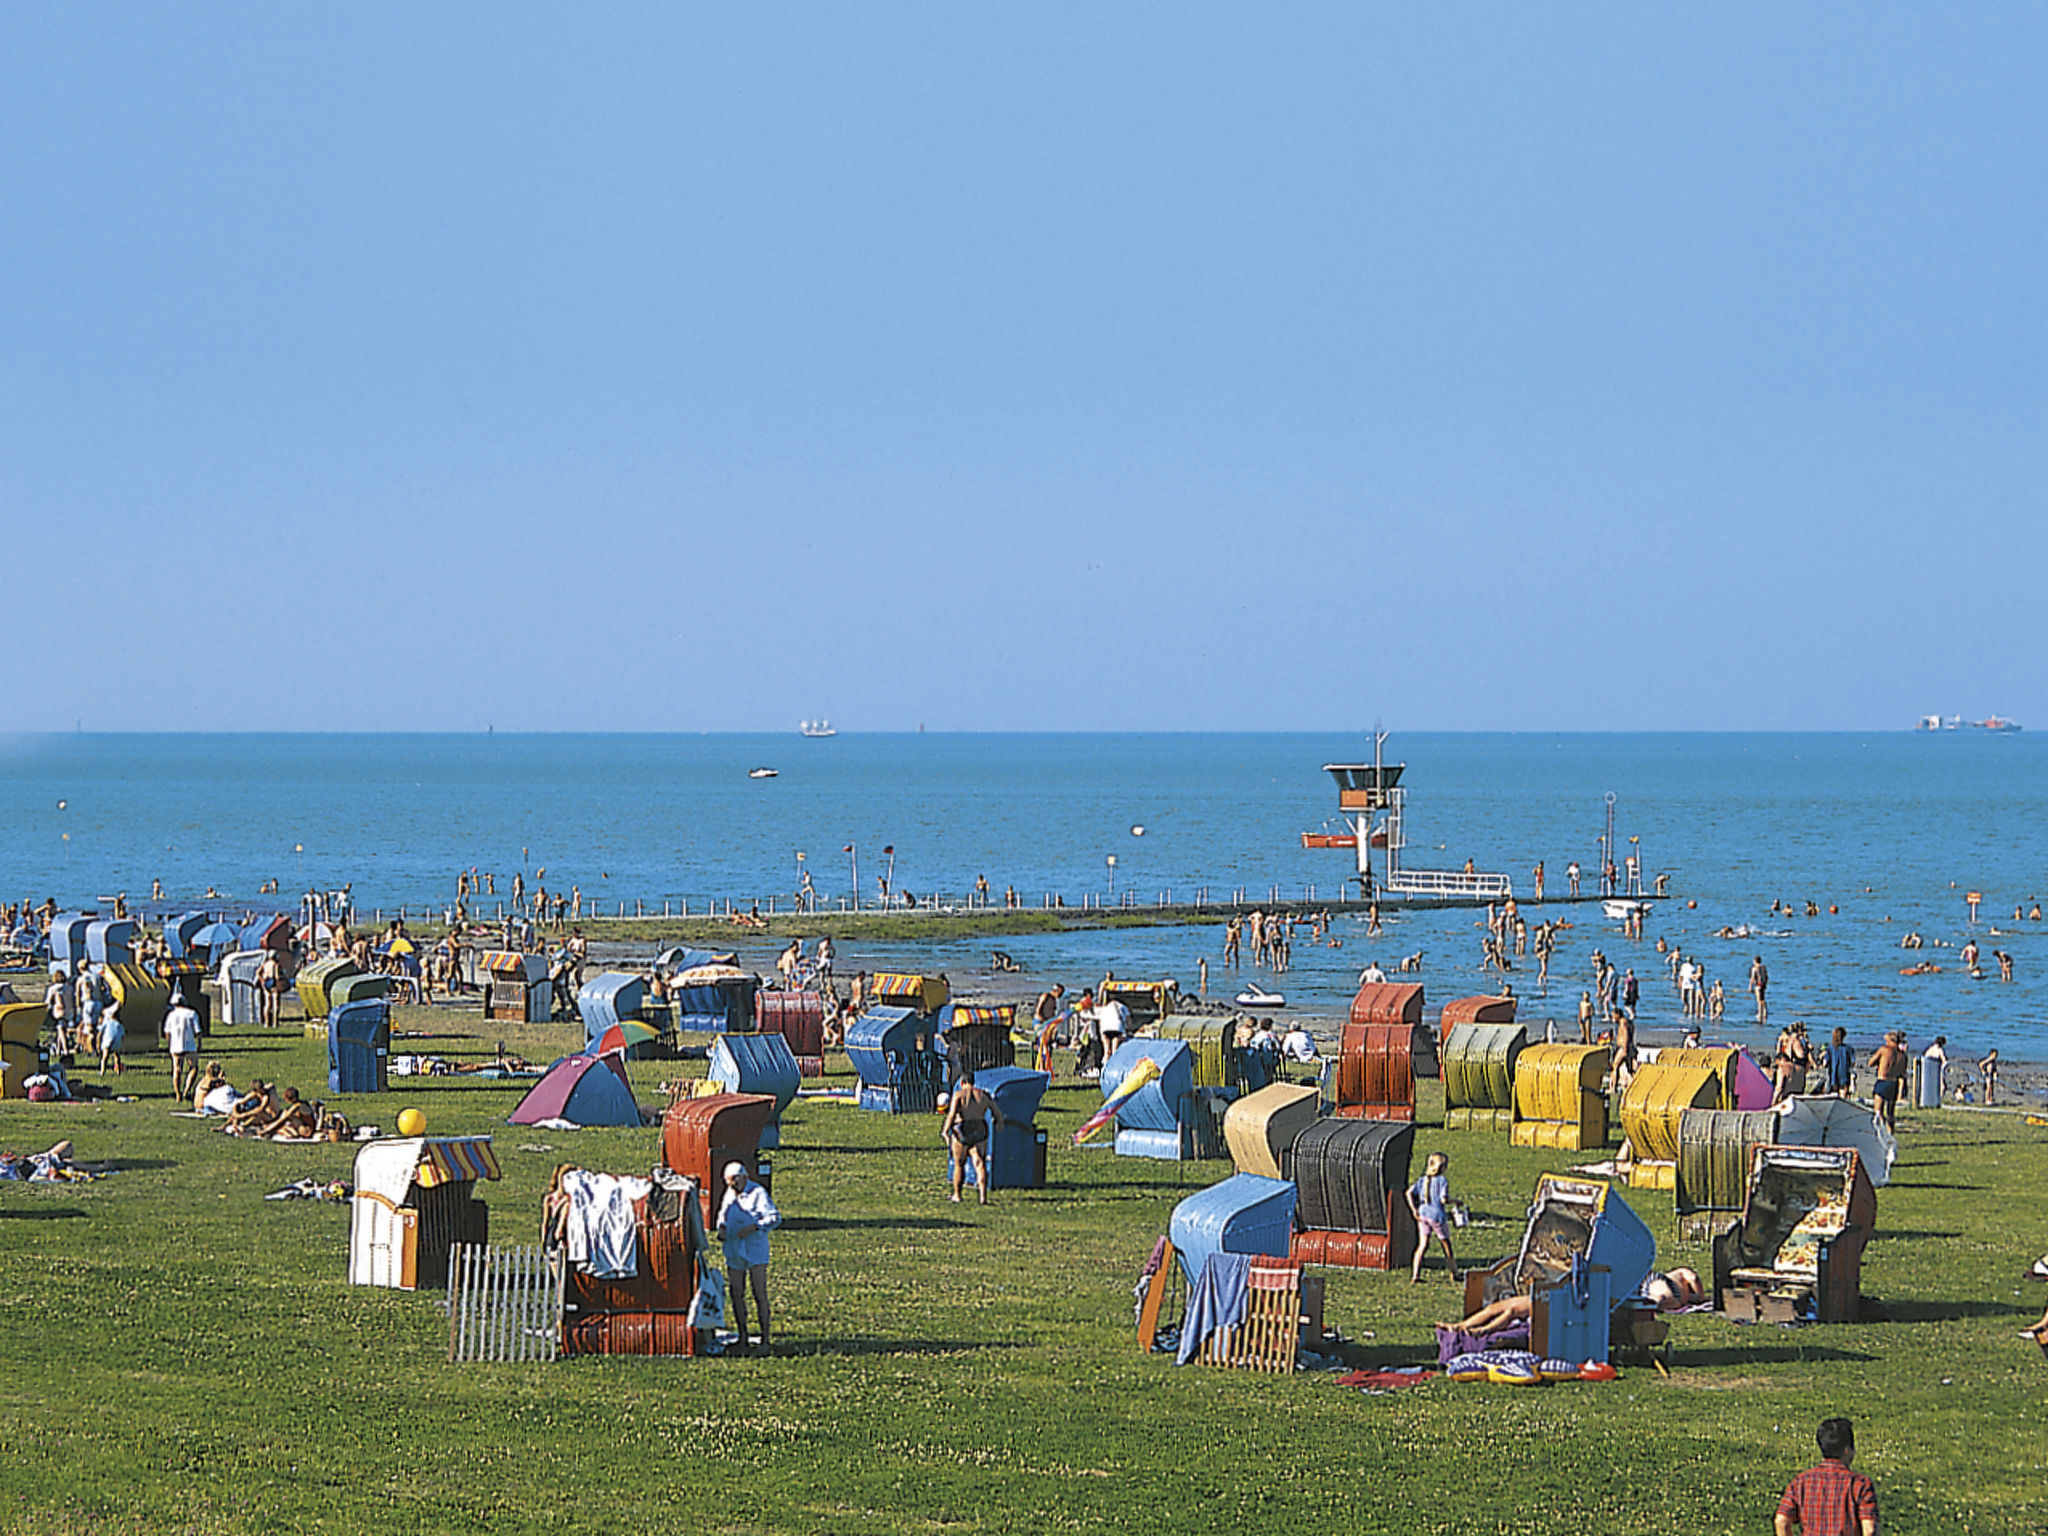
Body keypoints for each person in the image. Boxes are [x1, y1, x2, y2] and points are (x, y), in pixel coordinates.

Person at [1774, 1417, 1878, 1536]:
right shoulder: (1860, 1485)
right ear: (1847, 1450)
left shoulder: (1801, 1482)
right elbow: (1870, 1530)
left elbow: (1781, 1521)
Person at [716, 1160, 780, 1351]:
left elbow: (774, 1217)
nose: (732, 1187)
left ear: (742, 1178)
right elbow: (722, 1214)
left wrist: (754, 1227)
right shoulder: (729, 1194)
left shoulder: (758, 1193)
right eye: (729, 1183)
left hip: (754, 1249)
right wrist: (721, 1228)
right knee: (736, 1293)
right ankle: (742, 1335)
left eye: (734, 1182)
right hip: (734, 1248)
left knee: (759, 1292)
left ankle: (765, 1338)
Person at [941, 1070, 1006, 1205]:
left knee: (959, 1163)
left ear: (962, 1082)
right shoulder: (983, 1095)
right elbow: (997, 1112)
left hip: (963, 1128)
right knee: (979, 1162)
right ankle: (983, 1197)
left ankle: (957, 1195)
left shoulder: (959, 1095)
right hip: (979, 1128)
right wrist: (999, 1123)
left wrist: (945, 1131)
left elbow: (952, 1114)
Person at [1407, 1151, 1457, 1283]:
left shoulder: (1423, 1180)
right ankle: (1454, 1273)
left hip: (1423, 1214)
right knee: (1446, 1245)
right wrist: (1456, 1202)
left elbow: (1409, 1193)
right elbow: (1443, 1199)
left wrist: (1414, 1210)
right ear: (1442, 1167)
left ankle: (1415, 1275)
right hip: (1437, 1216)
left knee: (1422, 1245)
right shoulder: (1442, 1181)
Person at [162, 990, 201, 1102]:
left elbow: (167, 1032)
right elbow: (198, 1030)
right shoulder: (191, 1013)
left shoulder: (171, 1015)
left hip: (175, 1045)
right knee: (194, 1067)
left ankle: (178, 1094)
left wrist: (169, 1044)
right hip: (189, 1045)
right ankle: (186, 1090)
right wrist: (199, 1043)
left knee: (177, 1069)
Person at [1869, 1033, 1908, 1128]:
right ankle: (1890, 1132)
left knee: (1878, 1112)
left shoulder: (1884, 1050)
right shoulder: (1903, 1056)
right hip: (1894, 1083)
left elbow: (1870, 1062)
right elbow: (1902, 1073)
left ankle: (1879, 1131)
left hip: (1883, 1081)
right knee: (1890, 1113)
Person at [1824, 1027, 1855, 1097]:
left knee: (1834, 1091)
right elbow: (1853, 1062)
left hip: (1833, 1073)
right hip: (1844, 1073)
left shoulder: (1830, 1048)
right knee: (1843, 1091)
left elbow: (1825, 1062)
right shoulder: (1848, 1048)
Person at [1750, 955, 1770, 1025]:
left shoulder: (1754, 968)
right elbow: (1767, 977)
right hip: (1763, 985)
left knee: (1759, 1001)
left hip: (1758, 985)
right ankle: (1765, 1013)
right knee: (1763, 1000)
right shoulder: (1763, 968)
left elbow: (1753, 978)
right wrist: (1765, 984)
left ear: (1755, 961)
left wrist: (1750, 987)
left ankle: (1760, 1014)